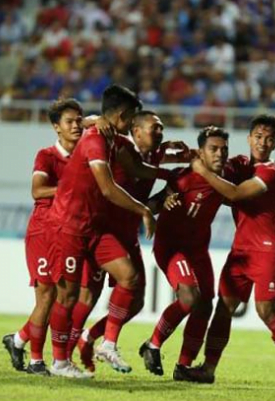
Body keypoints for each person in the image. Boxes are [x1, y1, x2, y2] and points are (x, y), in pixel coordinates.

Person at [45, 84, 166, 377]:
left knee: (129, 277)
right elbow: (108, 189)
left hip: (95, 228)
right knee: (69, 296)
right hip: (70, 226)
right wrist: (144, 210)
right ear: (122, 116)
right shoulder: (94, 140)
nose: (132, 125)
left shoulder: (113, 139)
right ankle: (59, 361)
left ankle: (107, 343)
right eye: (131, 118)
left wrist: (171, 174)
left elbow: (136, 168)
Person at [184, 115, 275, 389]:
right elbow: (216, 168)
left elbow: (235, 194)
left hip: (267, 250)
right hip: (240, 250)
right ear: (249, 138)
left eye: (269, 138)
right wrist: (194, 158)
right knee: (224, 308)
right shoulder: (240, 164)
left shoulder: (270, 173)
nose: (263, 143)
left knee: (267, 311)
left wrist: (203, 171)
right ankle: (208, 369)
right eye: (258, 137)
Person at [66, 111, 193, 373]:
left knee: (135, 301)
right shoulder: (119, 145)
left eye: (162, 128)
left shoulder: (157, 155)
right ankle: (63, 354)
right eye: (154, 128)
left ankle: (91, 338)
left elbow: (147, 203)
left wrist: (165, 198)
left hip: (128, 233)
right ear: (136, 131)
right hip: (102, 231)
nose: (160, 132)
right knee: (88, 296)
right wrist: (96, 119)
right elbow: (83, 123)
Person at [1, 98, 88, 377]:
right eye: (69, 122)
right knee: (47, 296)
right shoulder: (47, 156)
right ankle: (36, 361)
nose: (76, 126)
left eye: (79, 121)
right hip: (43, 231)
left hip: (69, 233)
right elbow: (37, 191)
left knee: (63, 297)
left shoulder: (86, 155)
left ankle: (17, 340)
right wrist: (71, 187)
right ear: (56, 127)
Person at [139, 126, 231, 380]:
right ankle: (153, 345)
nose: (219, 154)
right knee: (190, 297)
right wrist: (164, 202)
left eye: (224, 149)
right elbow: (152, 204)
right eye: (213, 149)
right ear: (200, 152)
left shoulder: (226, 176)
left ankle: (183, 366)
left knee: (205, 305)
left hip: (198, 249)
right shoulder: (184, 177)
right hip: (172, 247)